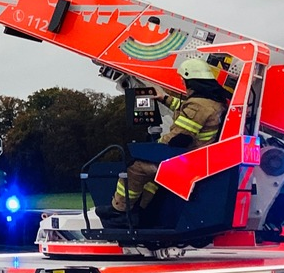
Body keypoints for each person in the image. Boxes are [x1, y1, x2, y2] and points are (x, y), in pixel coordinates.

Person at [97, 58, 230, 229]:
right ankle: (141, 213)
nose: (182, 82)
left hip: (188, 162)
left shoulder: (198, 105)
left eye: (184, 79)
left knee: (135, 168)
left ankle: (120, 211)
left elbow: (179, 138)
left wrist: (151, 149)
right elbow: (187, 110)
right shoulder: (211, 102)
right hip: (198, 159)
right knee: (152, 180)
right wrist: (164, 98)